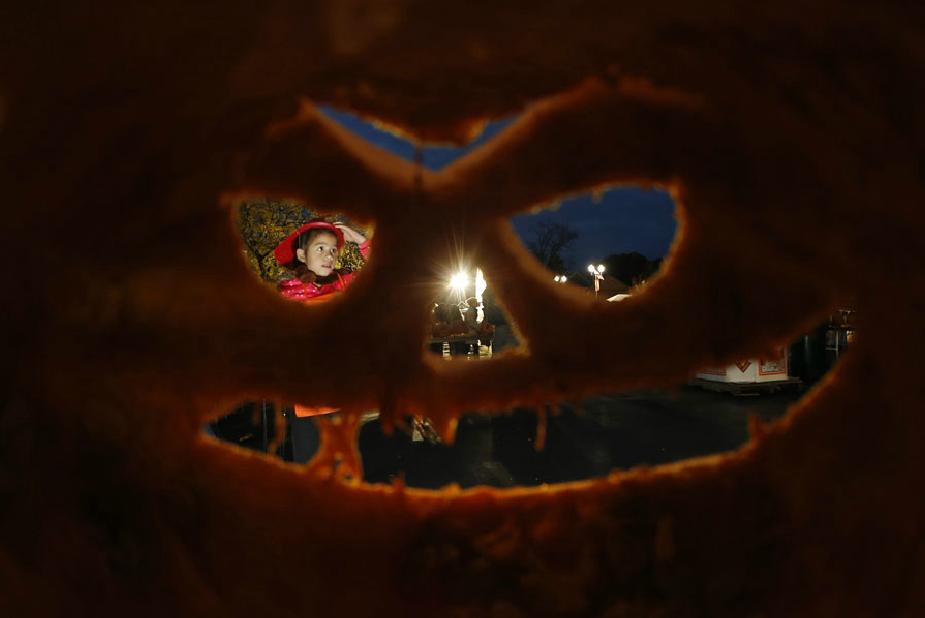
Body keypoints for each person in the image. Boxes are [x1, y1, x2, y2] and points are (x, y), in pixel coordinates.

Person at [274, 219, 369, 463]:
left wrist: (359, 240)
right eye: (320, 248)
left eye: (333, 249)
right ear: (301, 255)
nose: (329, 255)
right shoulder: (286, 295)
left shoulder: (346, 285)